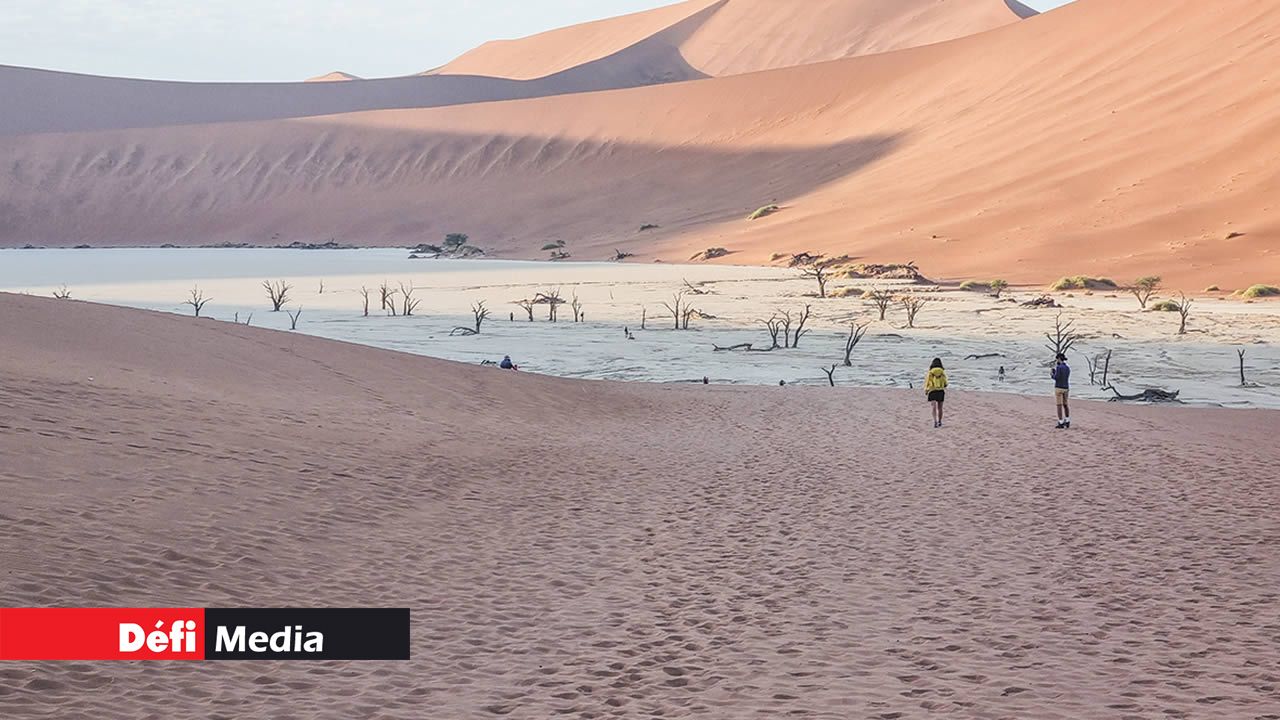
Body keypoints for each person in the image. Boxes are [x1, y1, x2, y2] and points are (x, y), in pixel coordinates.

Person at [925, 358, 948, 428]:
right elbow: (945, 382)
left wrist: (926, 390)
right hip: (940, 391)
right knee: (940, 407)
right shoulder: (942, 372)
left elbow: (927, 381)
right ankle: (940, 421)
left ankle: (935, 421)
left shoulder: (931, 372)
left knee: (933, 407)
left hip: (932, 390)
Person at [1051, 353, 1071, 428]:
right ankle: (1067, 419)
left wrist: (1052, 374)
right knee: (1065, 405)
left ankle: (1061, 421)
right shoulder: (1067, 368)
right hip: (1066, 387)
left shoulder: (1059, 367)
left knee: (1059, 405)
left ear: (1059, 359)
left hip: (1059, 387)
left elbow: (1056, 377)